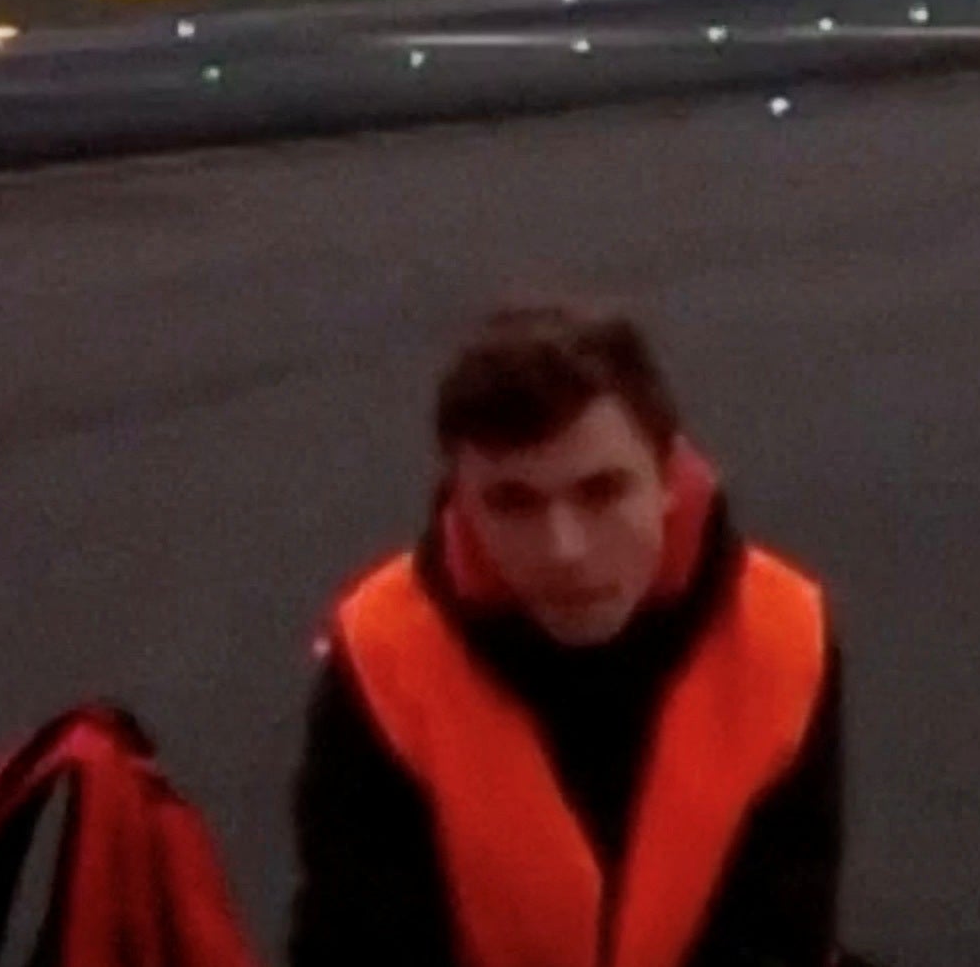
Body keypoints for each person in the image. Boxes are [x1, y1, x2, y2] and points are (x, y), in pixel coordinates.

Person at [289, 301, 845, 967]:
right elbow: (358, 942)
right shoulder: (383, 653)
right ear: (459, 500)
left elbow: (780, 932)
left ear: (670, 478)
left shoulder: (781, 637)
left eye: (602, 491)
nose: (564, 550)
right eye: (513, 503)